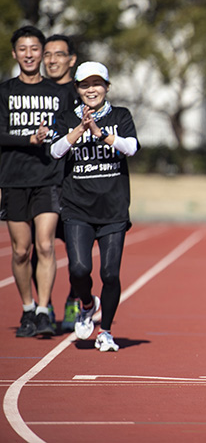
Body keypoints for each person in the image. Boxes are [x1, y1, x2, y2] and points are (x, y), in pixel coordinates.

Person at [50, 61, 140, 352]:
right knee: (78, 269)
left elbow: (132, 148)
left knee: (110, 274)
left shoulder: (121, 115)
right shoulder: (65, 118)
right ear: (77, 89)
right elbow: (54, 151)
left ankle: (107, 331)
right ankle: (87, 303)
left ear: (107, 87)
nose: (92, 89)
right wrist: (79, 130)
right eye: (85, 85)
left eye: (97, 84)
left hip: (113, 208)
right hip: (77, 207)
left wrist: (100, 132)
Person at [0, 25, 69, 338]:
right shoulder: (4, 92)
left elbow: (68, 133)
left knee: (45, 245)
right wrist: (30, 138)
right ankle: (27, 308)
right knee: (20, 251)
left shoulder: (59, 94)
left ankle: (44, 310)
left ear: (43, 53)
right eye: (23, 49)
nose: (29, 54)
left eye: (35, 49)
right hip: (13, 179)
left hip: (48, 178)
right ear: (15, 54)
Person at [41, 34, 81, 331]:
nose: (52, 60)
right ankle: (43, 307)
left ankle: (72, 299)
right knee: (36, 246)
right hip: (38, 180)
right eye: (47, 54)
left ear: (71, 59)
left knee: (77, 251)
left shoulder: (80, 94)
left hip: (71, 183)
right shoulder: (32, 92)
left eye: (59, 54)